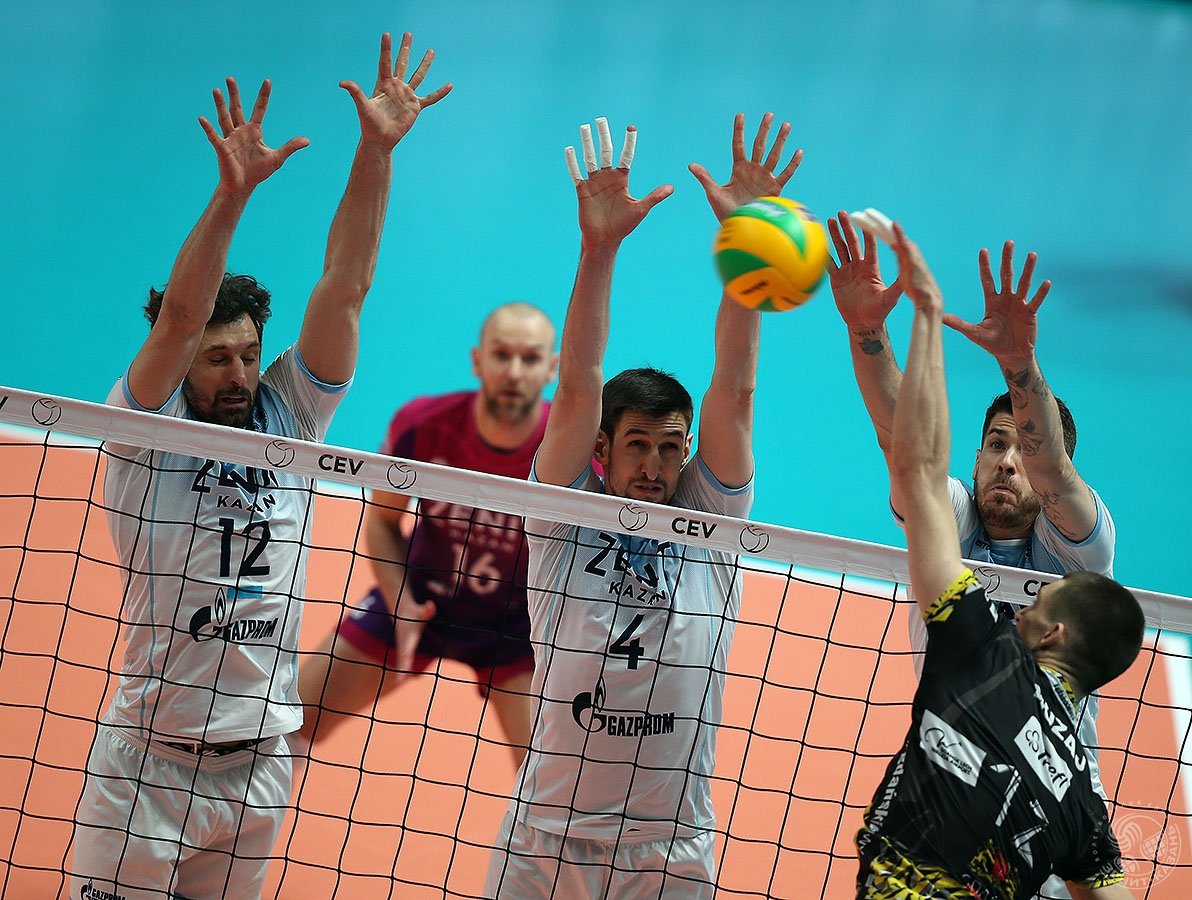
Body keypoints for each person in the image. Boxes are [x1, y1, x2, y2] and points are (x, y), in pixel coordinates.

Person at [69, 32, 451, 899]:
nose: (240, 374)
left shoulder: (290, 415)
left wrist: (377, 151)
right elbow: (177, 323)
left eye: (248, 355)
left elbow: (345, 286)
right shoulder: (146, 425)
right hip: (149, 768)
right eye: (218, 359)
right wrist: (232, 195)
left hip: (262, 766)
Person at [483, 111, 799, 899]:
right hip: (546, 837)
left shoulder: (711, 523)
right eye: (637, 446)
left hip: (670, 850)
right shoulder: (564, 515)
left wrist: (750, 247)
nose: (656, 466)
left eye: (670, 447)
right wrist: (598, 251)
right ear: (603, 449)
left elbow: (736, 388)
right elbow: (577, 386)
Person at [829, 214, 1116, 899]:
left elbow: (1055, 475)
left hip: (1051, 816)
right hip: (949, 806)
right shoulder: (954, 522)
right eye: (994, 445)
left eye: (1022, 447)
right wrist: (867, 331)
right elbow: (902, 441)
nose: (1008, 462)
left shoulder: (1080, 549)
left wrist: (1020, 366)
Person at [296, 302, 558, 769]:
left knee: (555, 778)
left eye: (531, 358)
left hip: (521, 628)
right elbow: (382, 521)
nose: (514, 372)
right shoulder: (423, 426)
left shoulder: (565, 453)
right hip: (421, 597)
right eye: (502, 355)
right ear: (478, 360)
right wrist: (402, 604)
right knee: (288, 721)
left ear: (552, 368)